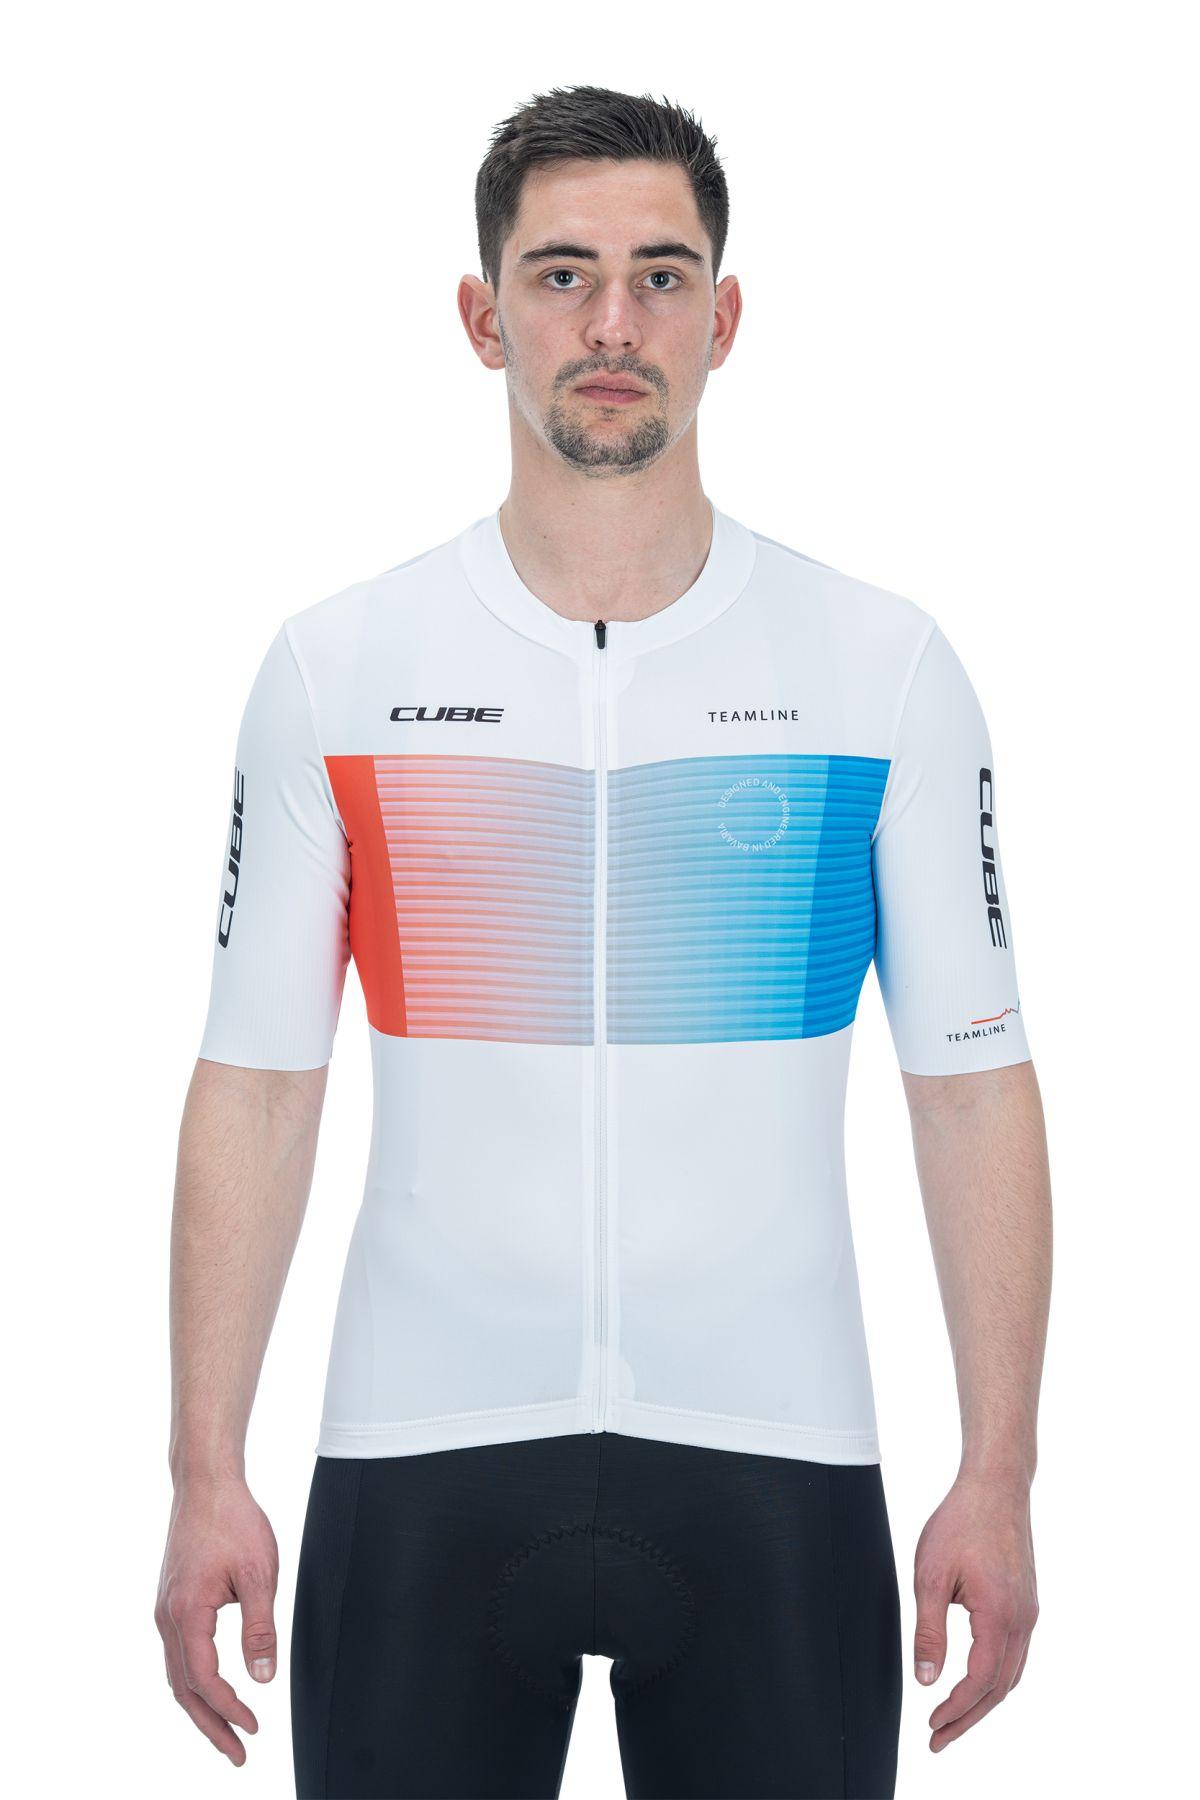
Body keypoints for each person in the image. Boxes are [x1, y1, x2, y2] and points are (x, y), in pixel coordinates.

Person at [156, 83, 1051, 1800]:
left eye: (661, 274)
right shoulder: (341, 667)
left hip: (777, 1455)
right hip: (421, 1453)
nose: (613, 322)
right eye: (562, 274)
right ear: (482, 315)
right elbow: (258, 1086)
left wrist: (998, 1471)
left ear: (726, 318)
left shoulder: (882, 669)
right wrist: (206, 1470)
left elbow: (971, 1087)